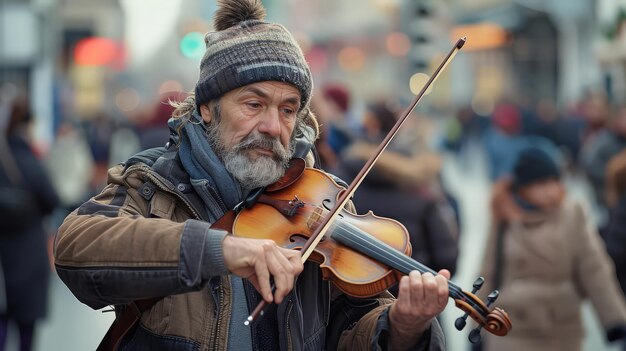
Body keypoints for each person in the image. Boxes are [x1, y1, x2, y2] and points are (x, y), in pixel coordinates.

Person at [54, 1, 449, 350]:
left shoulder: (323, 198)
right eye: (254, 103)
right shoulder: (153, 181)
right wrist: (217, 250)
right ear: (208, 108)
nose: (273, 126)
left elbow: (351, 328)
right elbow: (76, 248)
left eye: (288, 109)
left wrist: (401, 329)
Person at [479, 145, 626, 351]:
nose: (551, 190)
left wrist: (615, 319)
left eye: (555, 181)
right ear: (524, 187)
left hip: (561, 328)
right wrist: (476, 326)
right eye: (541, 183)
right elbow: (488, 272)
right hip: (511, 328)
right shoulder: (504, 216)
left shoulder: (572, 214)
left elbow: (594, 267)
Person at [0, 90, 60, 351]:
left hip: (2, 262)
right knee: (26, 330)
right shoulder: (28, 160)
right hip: (28, 254)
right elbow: (52, 198)